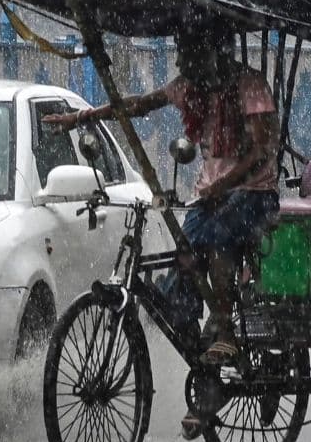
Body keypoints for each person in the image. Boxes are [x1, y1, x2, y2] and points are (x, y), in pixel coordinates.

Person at [45, 30, 280, 374]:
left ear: (212, 53)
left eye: (189, 56)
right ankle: (194, 336)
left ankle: (224, 329)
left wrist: (225, 185)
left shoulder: (250, 85)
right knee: (184, 252)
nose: (182, 64)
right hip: (211, 195)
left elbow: (263, 152)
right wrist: (83, 117)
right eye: (181, 56)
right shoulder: (189, 86)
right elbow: (139, 104)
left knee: (215, 237)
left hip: (254, 194)